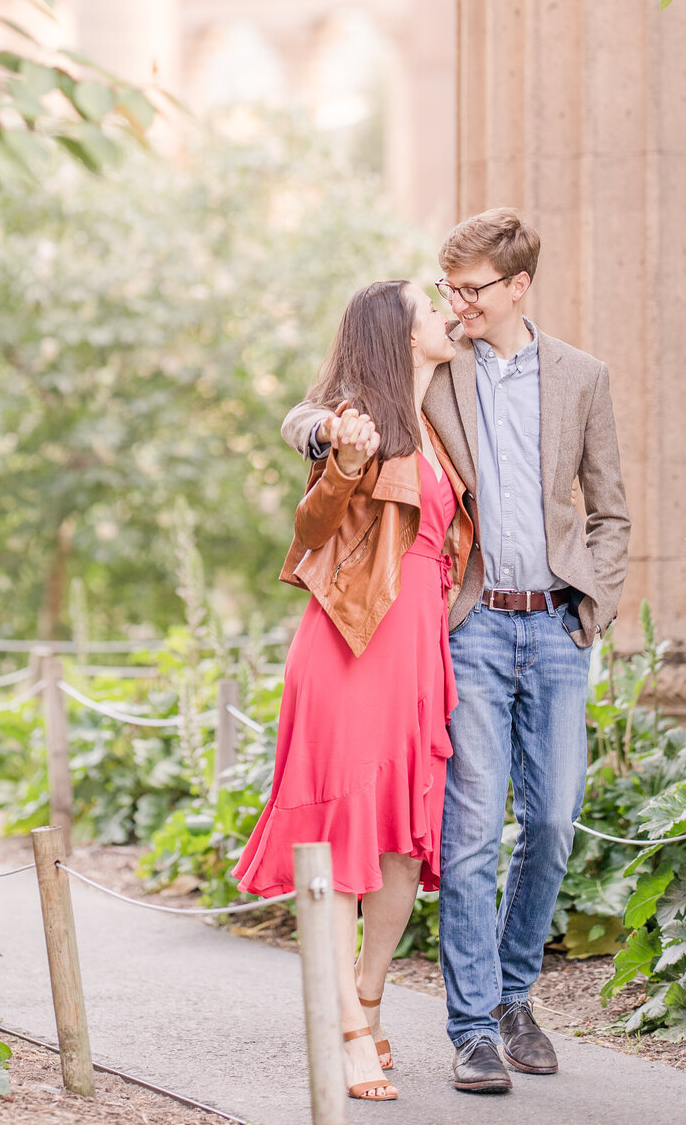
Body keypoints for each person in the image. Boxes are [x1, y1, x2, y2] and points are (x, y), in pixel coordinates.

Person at [282, 208, 631, 1095]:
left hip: (553, 626)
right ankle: (471, 1024)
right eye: (447, 293)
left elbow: (609, 507)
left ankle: (515, 995)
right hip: (464, 631)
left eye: (472, 290)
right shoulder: (440, 374)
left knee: (550, 822)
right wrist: (325, 435)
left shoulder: (583, 378)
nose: (458, 305)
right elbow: (323, 405)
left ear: (518, 286)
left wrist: (597, 606)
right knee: (467, 831)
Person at [233, 279, 476, 1103]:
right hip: (349, 644)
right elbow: (311, 525)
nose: (444, 315)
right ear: (399, 334)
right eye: (428, 308)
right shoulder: (354, 426)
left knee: (404, 845)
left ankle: (369, 999)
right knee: (340, 842)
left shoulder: (436, 420)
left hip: (418, 654)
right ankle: (343, 1031)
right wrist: (335, 459)